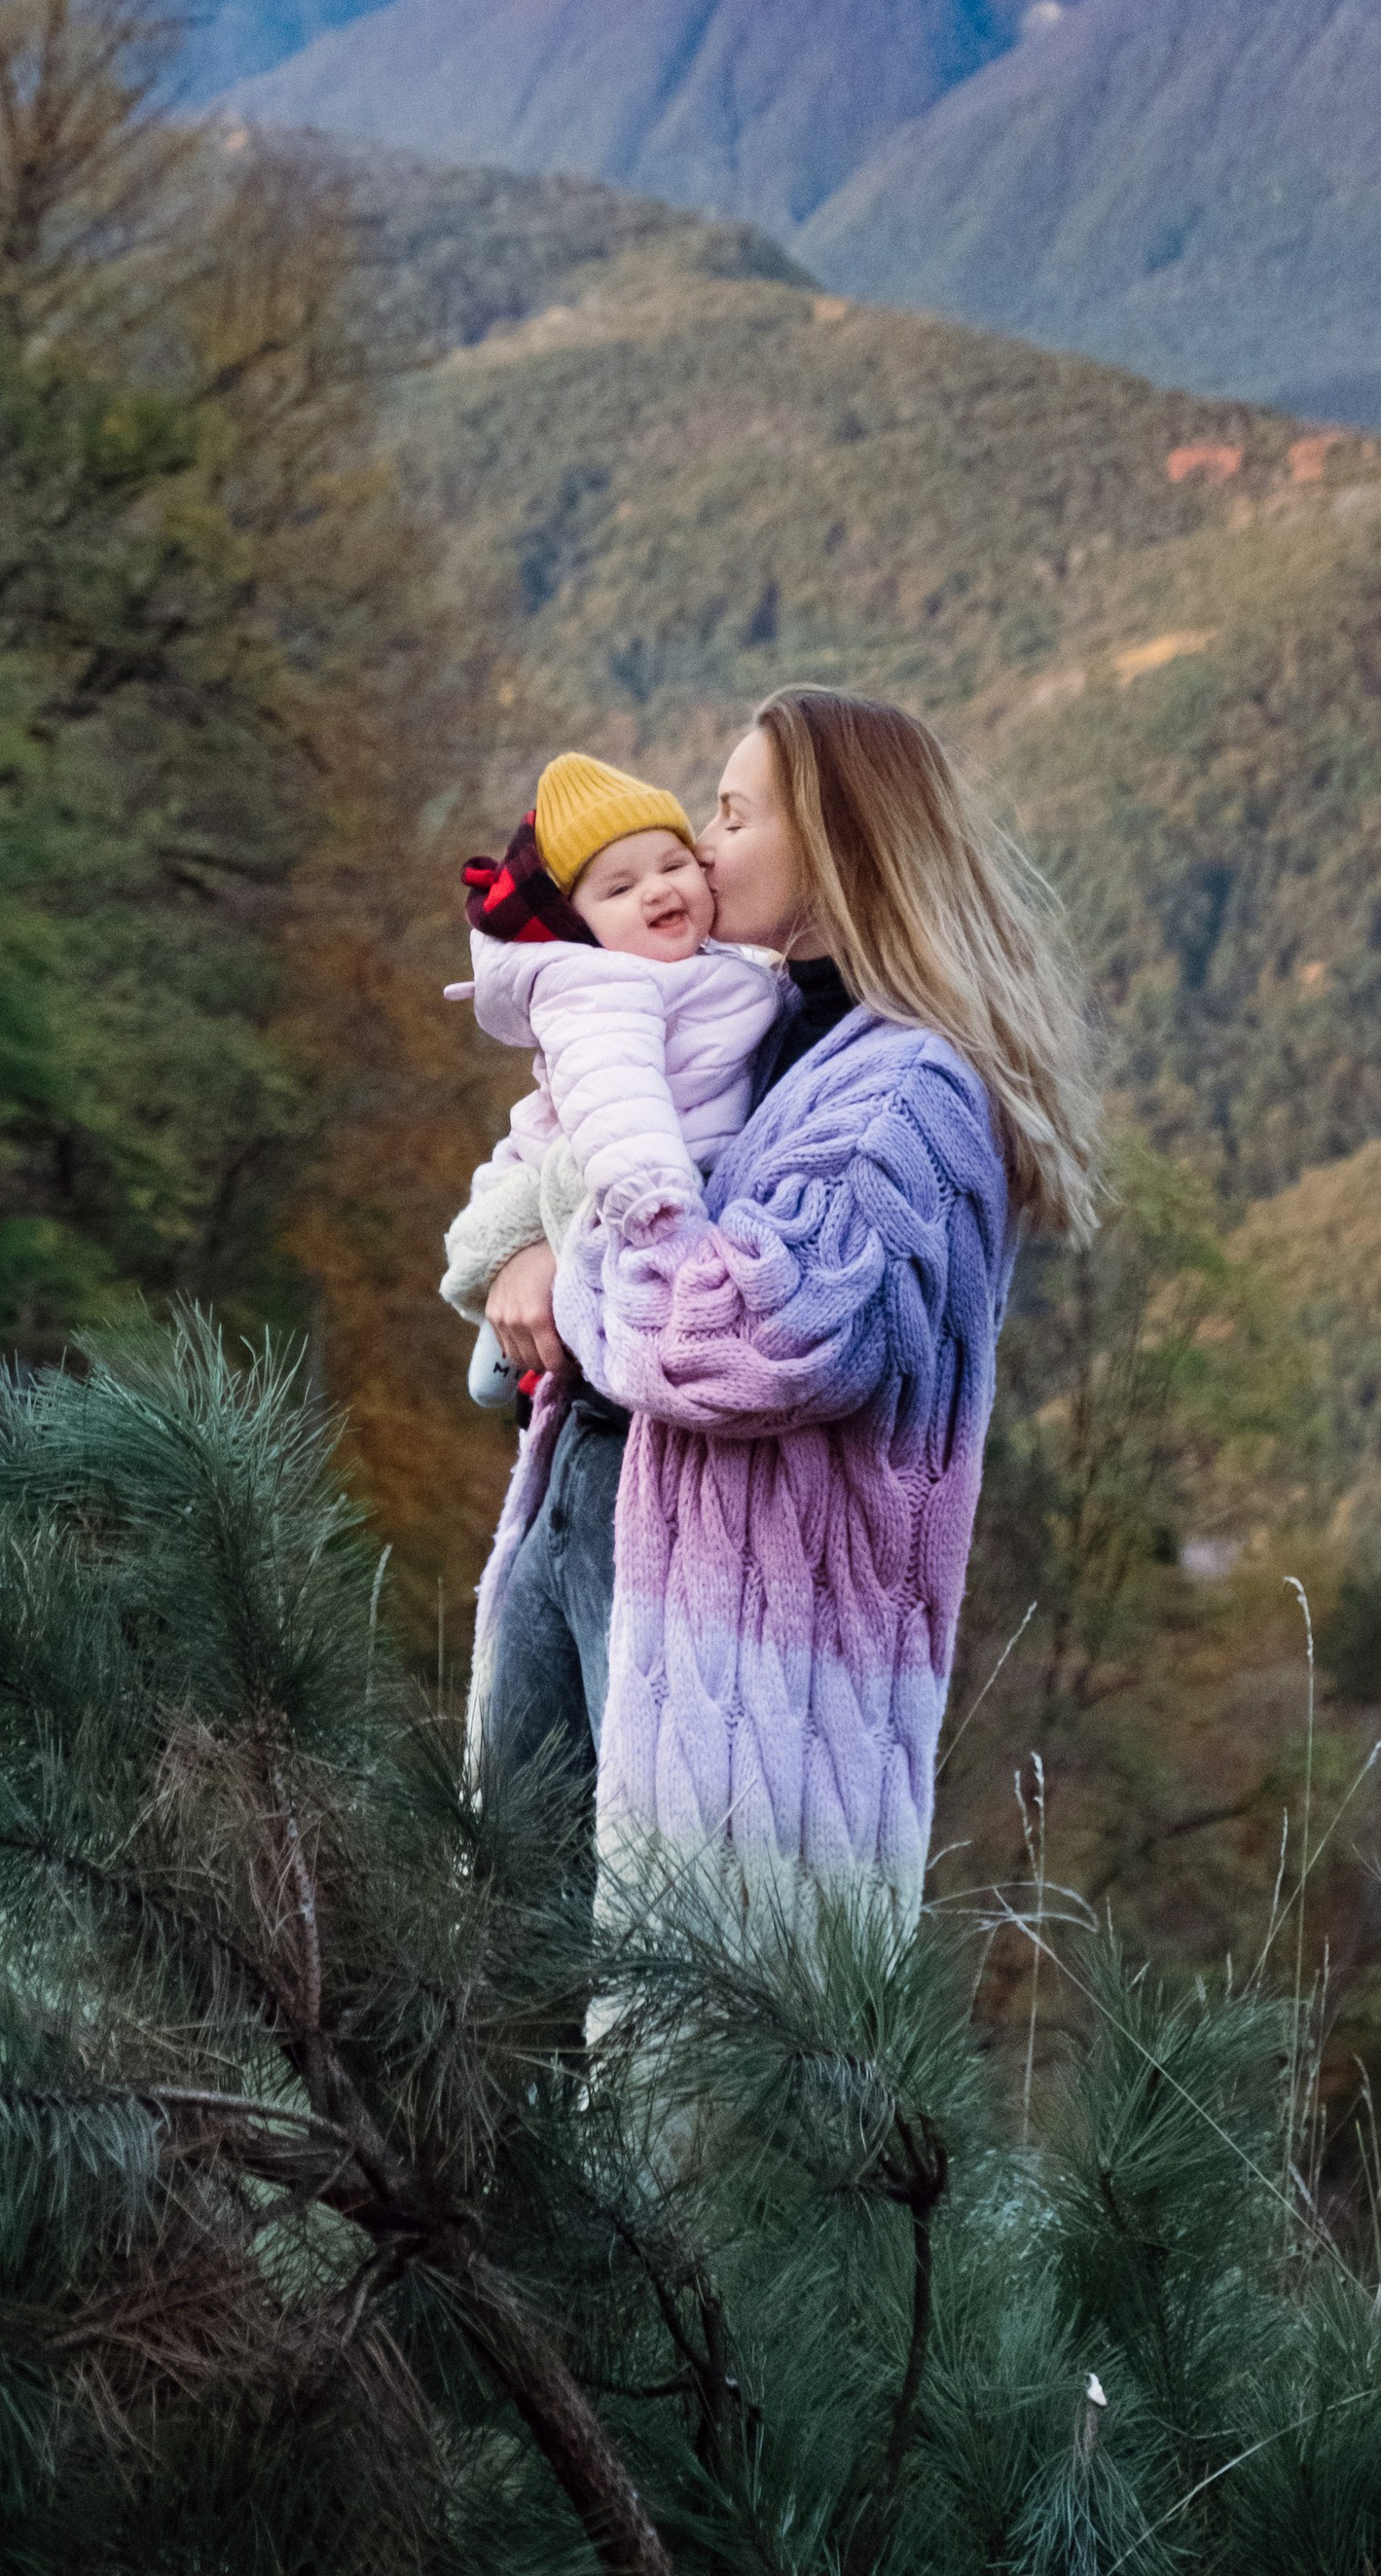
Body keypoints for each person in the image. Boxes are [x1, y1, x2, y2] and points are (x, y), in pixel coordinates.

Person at [464, 686, 1100, 1938]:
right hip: (594, 1520)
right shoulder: (747, 1028)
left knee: (689, 2023)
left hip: (737, 1650)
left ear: (836, 843)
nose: (700, 850)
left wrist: (567, 1255)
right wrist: (517, 1242)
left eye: (733, 815)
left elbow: (753, 1339)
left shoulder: (906, 1090)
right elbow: (572, 1151)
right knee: (505, 1981)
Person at [439, 750, 781, 1414]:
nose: (656, 891)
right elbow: (615, 1102)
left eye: (674, 865)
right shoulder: (603, 988)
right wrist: (655, 1206)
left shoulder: (699, 964)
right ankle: (521, 1373)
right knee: (550, 1328)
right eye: (619, 889)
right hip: (627, 1184)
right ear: (580, 924)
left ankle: (524, 1375)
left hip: (642, 1171)